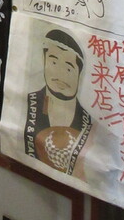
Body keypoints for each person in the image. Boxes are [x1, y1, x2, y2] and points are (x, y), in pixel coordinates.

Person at [24, 28, 92, 176]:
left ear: (79, 74)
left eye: (69, 68)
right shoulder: (27, 103)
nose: (60, 74)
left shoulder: (89, 122)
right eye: (54, 63)